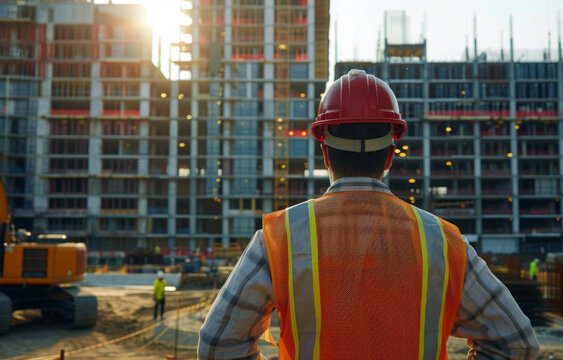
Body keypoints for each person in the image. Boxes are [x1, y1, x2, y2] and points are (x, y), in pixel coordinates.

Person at [198, 70, 540, 359]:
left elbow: (217, 345)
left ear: (325, 153)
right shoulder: (442, 241)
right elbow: (516, 344)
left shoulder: (280, 238)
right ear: (391, 154)